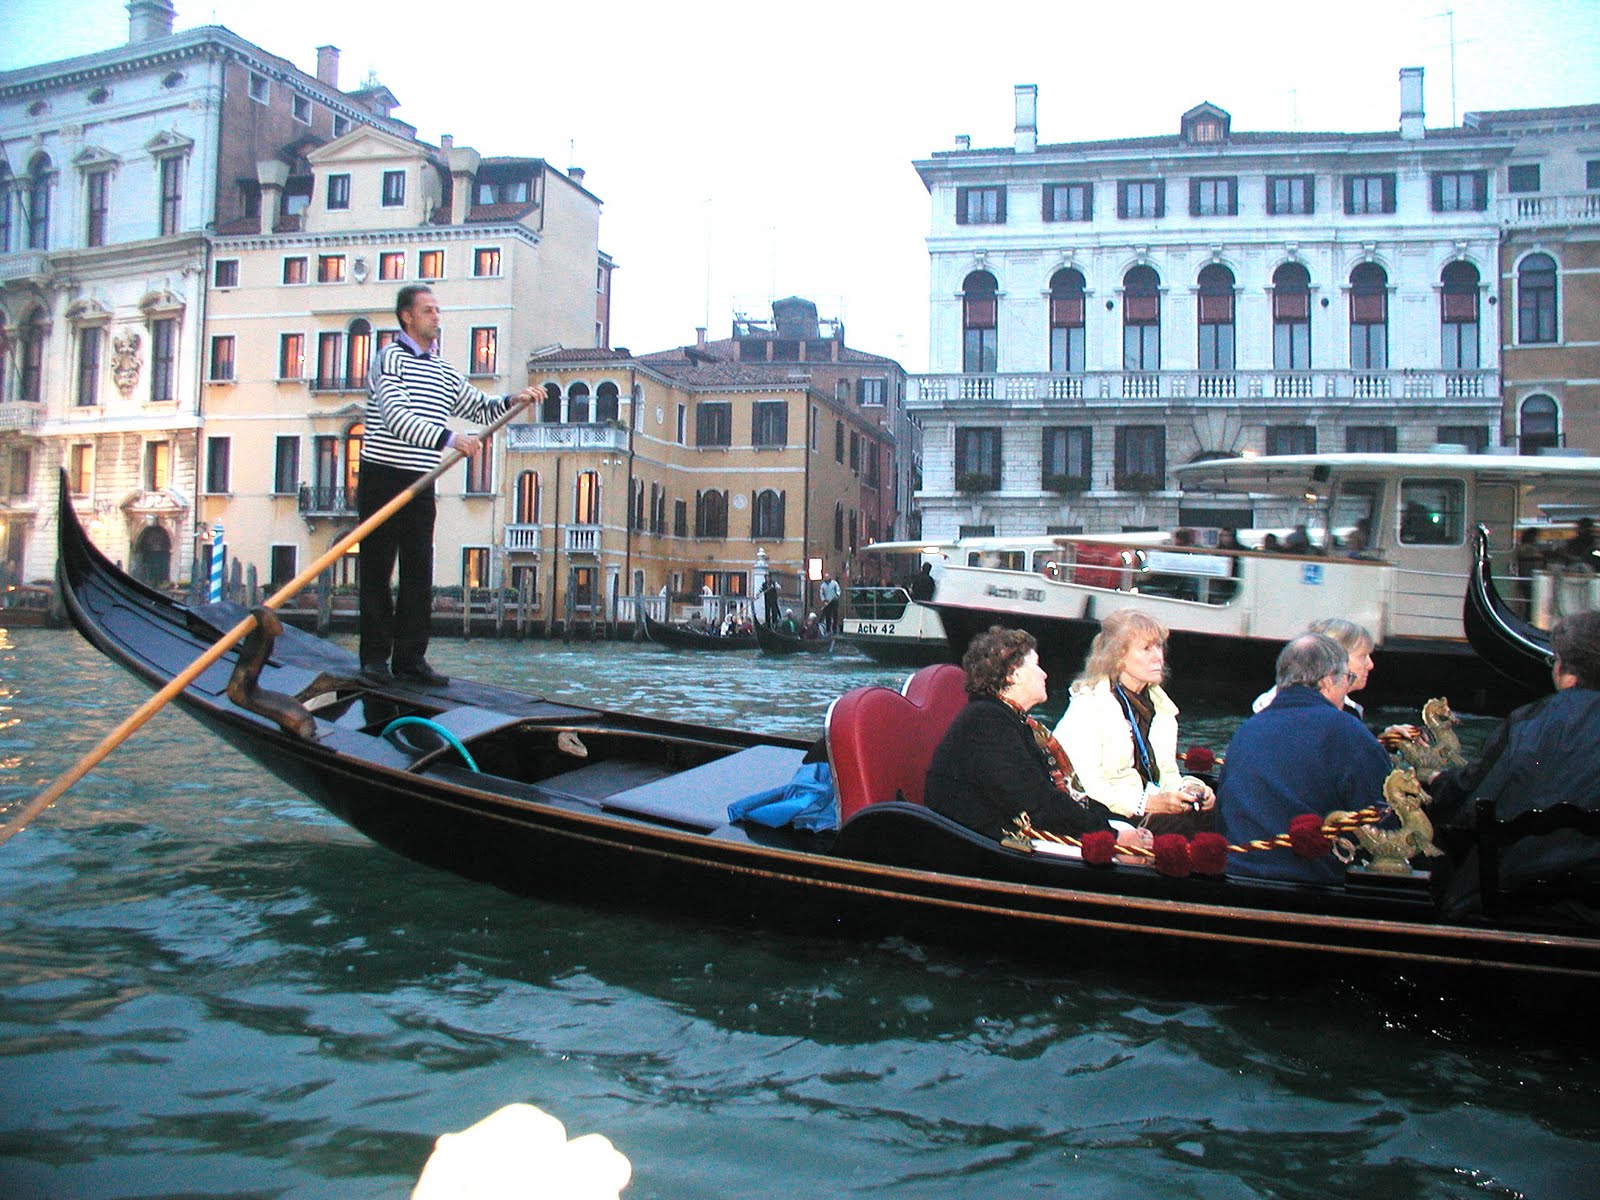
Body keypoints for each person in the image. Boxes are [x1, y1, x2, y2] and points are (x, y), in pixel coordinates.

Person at [358, 285, 538, 685]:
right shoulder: (389, 360)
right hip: (382, 476)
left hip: (422, 480)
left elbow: (476, 405)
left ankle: (409, 660)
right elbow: (395, 417)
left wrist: (515, 400)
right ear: (407, 316)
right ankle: (373, 659)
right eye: (428, 311)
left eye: (438, 311)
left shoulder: (441, 369)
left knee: (418, 571)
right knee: (377, 569)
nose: (437, 317)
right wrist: (449, 439)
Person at [1424, 609, 1600, 917]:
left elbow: (1472, 796)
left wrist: (1439, 783)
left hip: (1511, 901)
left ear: (1564, 669)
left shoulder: (1529, 720)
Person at [926, 626, 1149, 853]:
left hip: (1008, 834)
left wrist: (1121, 822)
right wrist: (1114, 835)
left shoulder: (1011, 720)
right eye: (1037, 665)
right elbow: (1038, 804)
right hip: (982, 846)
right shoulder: (986, 722)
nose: (1044, 674)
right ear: (1014, 674)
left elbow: (1056, 797)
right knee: (1132, 857)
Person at [1217, 633, 1392, 883]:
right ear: (1329, 680)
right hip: (1312, 881)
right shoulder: (1347, 731)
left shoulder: (1248, 729)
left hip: (1239, 873)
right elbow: (1382, 819)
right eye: (1347, 678)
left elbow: (1224, 812)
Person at [1053, 609, 1216, 837]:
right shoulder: (1088, 707)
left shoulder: (1161, 709)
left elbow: (1167, 776)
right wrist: (1146, 804)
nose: (1158, 656)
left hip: (1149, 805)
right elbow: (1085, 786)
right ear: (1118, 657)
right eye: (1146, 648)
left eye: (1159, 647)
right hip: (1111, 816)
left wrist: (1191, 789)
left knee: (1213, 813)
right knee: (1183, 831)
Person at [1253, 617, 1376, 719]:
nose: (1370, 665)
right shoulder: (1279, 712)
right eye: (1362, 656)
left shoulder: (1348, 708)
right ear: (1335, 659)